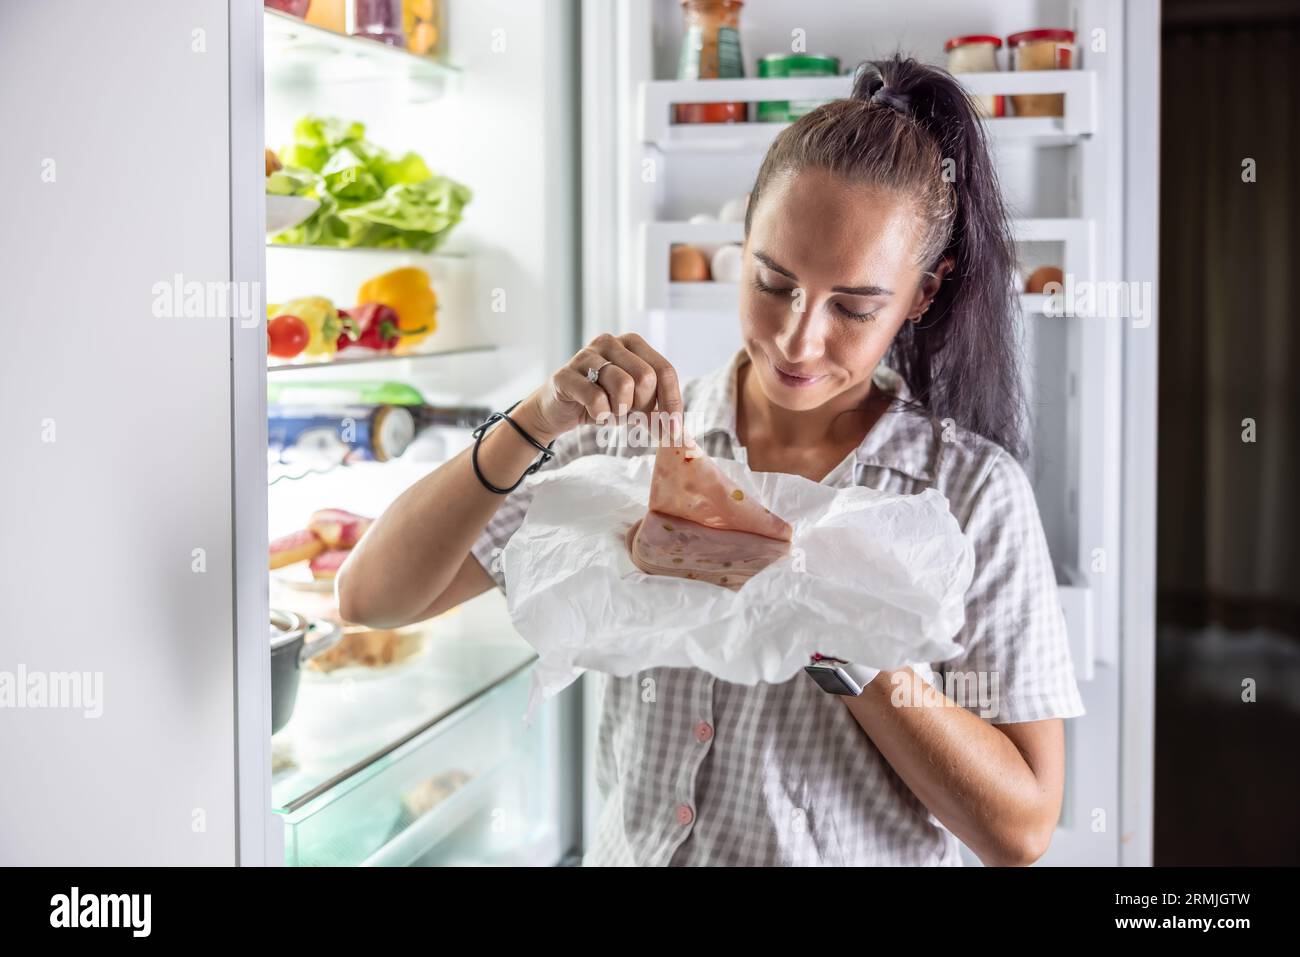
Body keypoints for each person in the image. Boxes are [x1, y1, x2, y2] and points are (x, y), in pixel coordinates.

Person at [338, 55, 1085, 866]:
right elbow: (371, 597)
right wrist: (533, 419)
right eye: (773, 283)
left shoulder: (972, 493)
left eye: (854, 306)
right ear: (741, 246)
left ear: (923, 295)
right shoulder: (629, 438)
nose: (800, 339)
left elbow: (1021, 828)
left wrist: (842, 627)